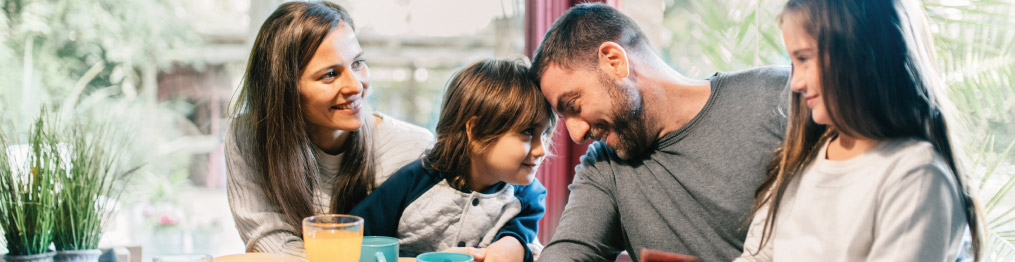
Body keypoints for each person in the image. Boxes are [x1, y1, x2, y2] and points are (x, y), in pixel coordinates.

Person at [530, 3, 790, 262]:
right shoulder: (604, 166)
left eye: (574, 105)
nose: (576, 134)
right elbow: (567, 254)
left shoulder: (780, 96)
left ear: (614, 61)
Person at [735, 0, 983, 261]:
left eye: (804, 59)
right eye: (793, 62)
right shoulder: (800, 162)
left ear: (860, 55)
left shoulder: (916, 177)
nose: (795, 83)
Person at [224, 1, 434, 258]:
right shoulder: (250, 137)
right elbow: (270, 245)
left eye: (358, 63)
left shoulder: (413, 148)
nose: (355, 86)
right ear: (284, 89)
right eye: (331, 74)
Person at [351, 59, 552, 262]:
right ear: (476, 130)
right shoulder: (413, 182)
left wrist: (513, 245)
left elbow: (519, 237)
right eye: (527, 132)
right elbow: (352, 244)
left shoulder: (528, 198)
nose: (541, 149)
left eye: (545, 133)